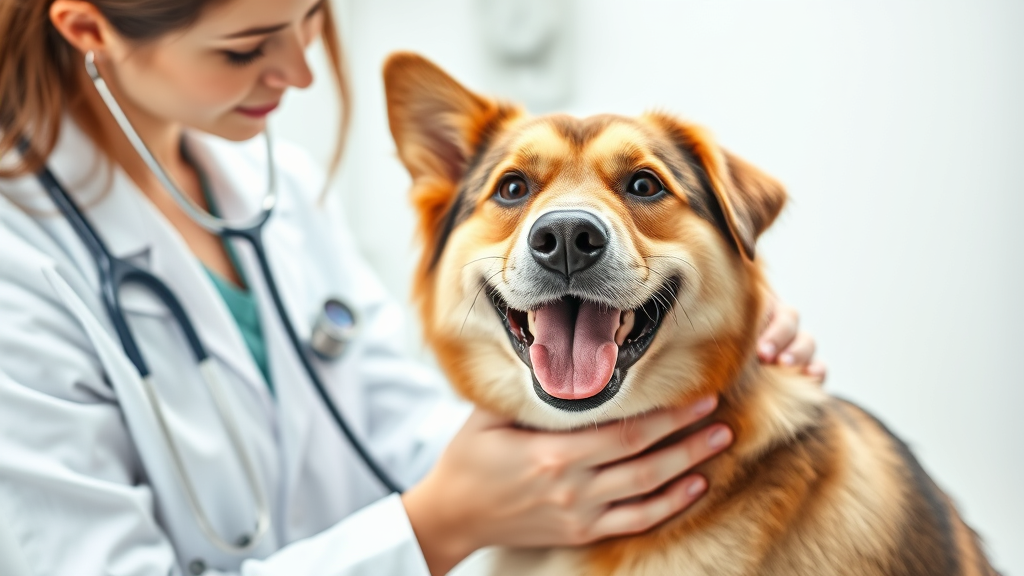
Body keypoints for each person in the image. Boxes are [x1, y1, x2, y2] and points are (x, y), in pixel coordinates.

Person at [0, 1, 825, 575]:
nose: (300, 72)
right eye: (245, 46)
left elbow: (396, 425)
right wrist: (436, 527)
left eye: (312, 16)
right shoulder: (19, 265)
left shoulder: (271, 186)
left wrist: (704, 326)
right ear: (88, 30)